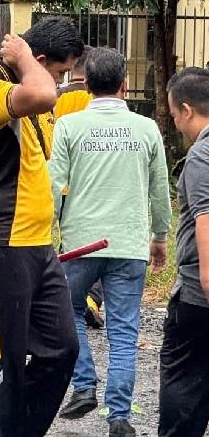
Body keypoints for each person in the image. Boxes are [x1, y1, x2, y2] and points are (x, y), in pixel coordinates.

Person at [0, 17, 84, 437]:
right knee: (3, 366)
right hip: (0, 242)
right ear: (39, 61)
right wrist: (25, 57)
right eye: (60, 72)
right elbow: (43, 91)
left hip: (37, 246)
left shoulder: (32, 98)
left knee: (63, 350)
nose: (60, 84)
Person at [49, 48, 170, 436]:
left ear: (86, 86)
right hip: (130, 244)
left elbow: (53, 184)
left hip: (81, 243)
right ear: (124, 85)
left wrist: (42, 232)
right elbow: (160, 189)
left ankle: (83, 383)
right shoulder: (147, 128)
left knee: (68, 311)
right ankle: (118, 415)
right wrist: (160, 237)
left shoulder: (69, 127)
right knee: (124, 329)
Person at [159, 67, 209, 437]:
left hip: (199, 298)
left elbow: (207, 225)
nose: (175, 123)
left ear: (188, 110)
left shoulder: (201, 157)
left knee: (184, 393)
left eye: (175, 114)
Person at [54, 46, 107, 329]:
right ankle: (89, 299)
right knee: (99, 244)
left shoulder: (56, 97)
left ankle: (66, 296)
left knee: (70, 245)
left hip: (62, 185)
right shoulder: (96, 99)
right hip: (93, 183)